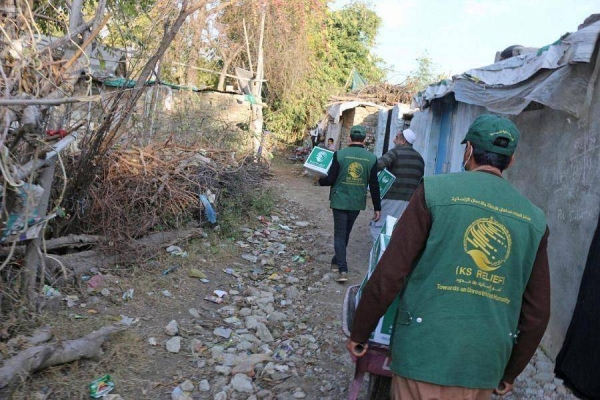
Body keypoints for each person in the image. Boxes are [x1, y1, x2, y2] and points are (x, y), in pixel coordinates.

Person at [347, 114, 550, 399]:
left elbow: (390, 274)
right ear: (511, 160)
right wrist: (510, 372)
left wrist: (360, 333)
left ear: (468, 152)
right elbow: (537, 313)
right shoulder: (535, 219)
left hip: (423, 353)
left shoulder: (434, 191)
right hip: (483, 364)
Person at [318, 125, 381, 283]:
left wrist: (319, 180)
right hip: (356, 201)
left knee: (340, 234)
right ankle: (335, 261)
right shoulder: (371, 158)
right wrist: (377, 207)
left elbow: (331, 179)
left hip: (340, 200)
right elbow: (374, 184)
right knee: (345, 233)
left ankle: (342, 269)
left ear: (350, 138)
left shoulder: (339, 154)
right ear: (364, 139)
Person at [370, 128, 424, 239]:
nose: (394, 141)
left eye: (396, 138)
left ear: (403, 141)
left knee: (380, 228)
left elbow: (376, 166)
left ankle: (381, 255)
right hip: (410, 201)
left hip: (392, 199)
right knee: (399, 230)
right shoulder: (420, 159)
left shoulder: (395, 152)